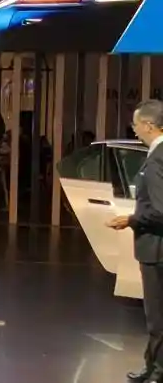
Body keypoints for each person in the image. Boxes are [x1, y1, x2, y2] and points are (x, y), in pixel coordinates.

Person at [108, 100, 163, 383]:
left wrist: (131, 219)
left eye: (136, 124)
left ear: (149, 125)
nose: (134, 129)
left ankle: (157, 372)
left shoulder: (157, 160)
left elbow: (159, 211)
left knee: (157, 316)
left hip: (156, 249)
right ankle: (152, 365)